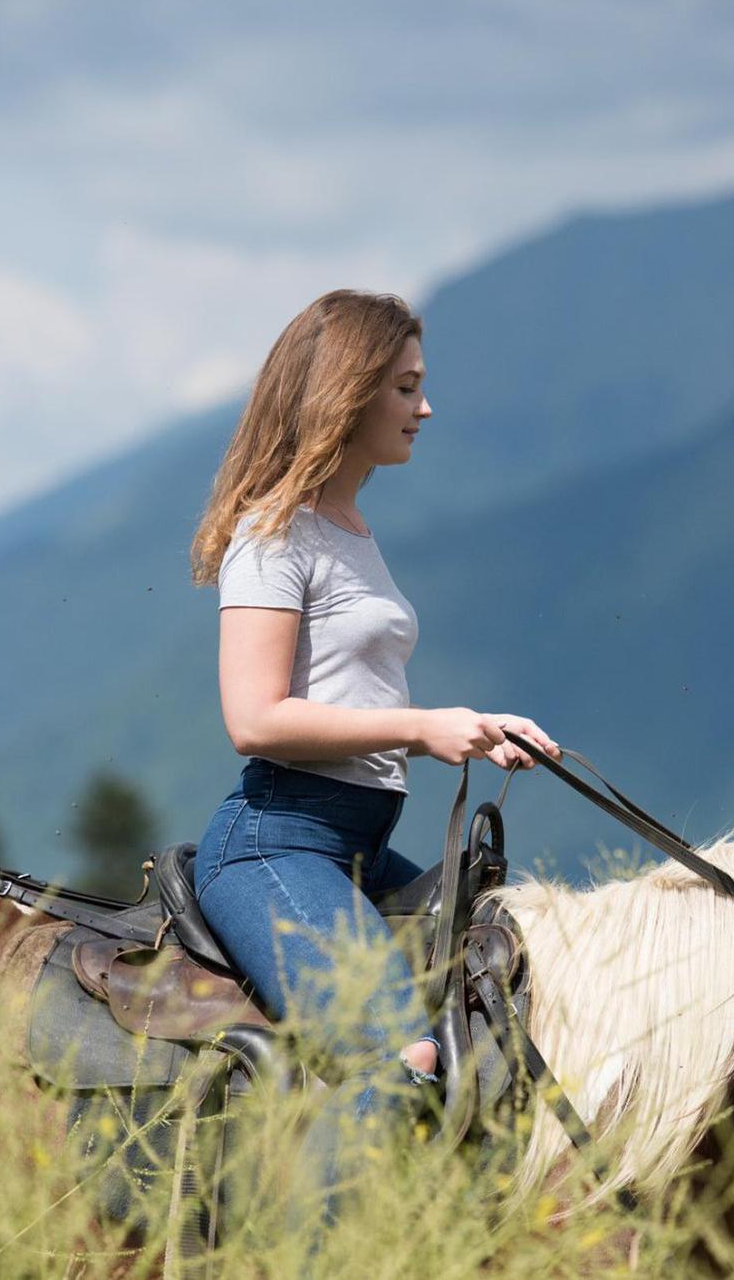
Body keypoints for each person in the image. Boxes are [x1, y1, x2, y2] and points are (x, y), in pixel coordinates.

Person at [185, 288, 563, 1189]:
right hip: (276, 845)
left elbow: (354, 692)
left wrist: (477, 727)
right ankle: (307, 1251)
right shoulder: (272, 535)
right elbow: (254, 719)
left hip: (359, 845)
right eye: (405, 387)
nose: (425, 408)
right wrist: (424, 729)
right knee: (402, 1054)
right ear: (346, 394)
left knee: (508, 983)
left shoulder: (350, 530)